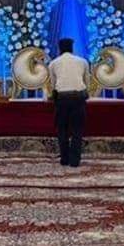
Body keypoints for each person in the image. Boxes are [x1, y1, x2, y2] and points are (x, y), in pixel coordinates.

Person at [48, 37, 90, 168]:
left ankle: (64, 159)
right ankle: (75, 161)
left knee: (62, 130)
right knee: (77, 130)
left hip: (62, 99)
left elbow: (53, 85)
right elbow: (87, 83)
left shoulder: (53, 63)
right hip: (78, 98)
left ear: (59, 49)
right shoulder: (82, 61)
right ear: (72, 48)